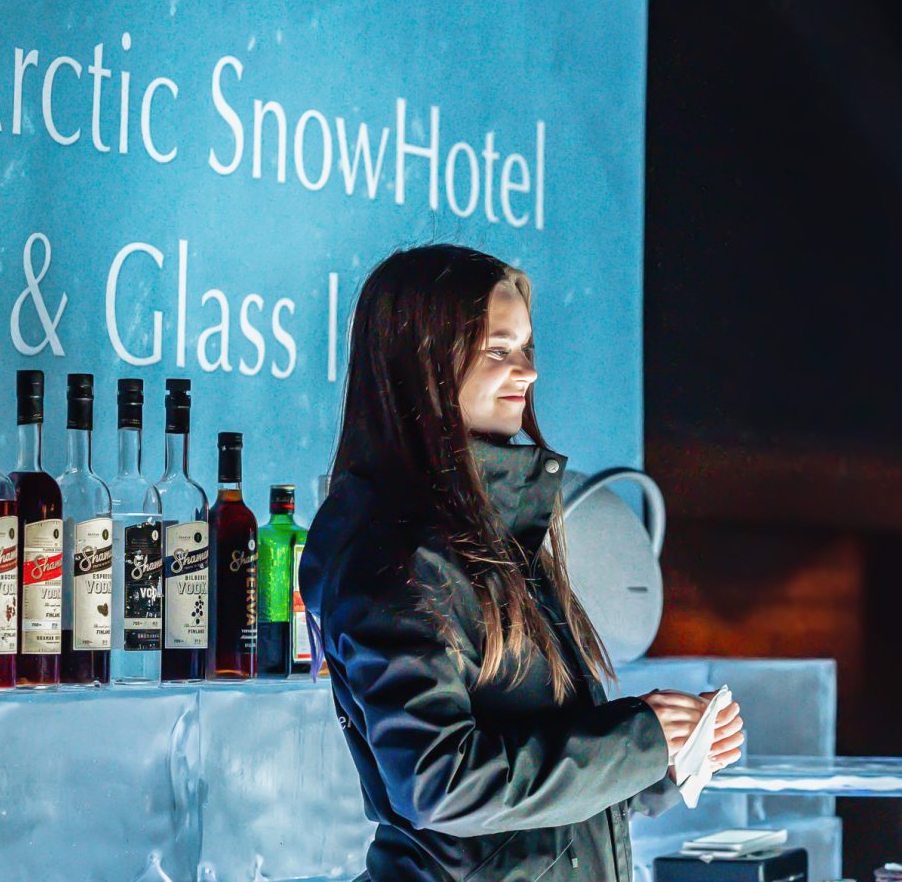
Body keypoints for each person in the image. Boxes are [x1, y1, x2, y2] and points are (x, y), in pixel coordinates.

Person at [300, 244, 745, 881]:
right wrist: (635, 741)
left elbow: (533, 786)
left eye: (527, 349)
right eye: (498, 351)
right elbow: (440, 782)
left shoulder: (490, 527)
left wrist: (663, 760)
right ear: (422, 363)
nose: (528, 373)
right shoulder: (395, 548)